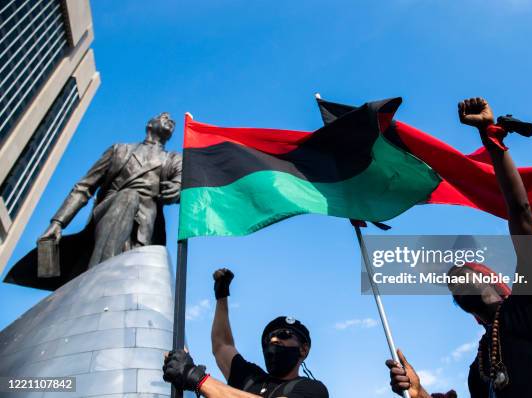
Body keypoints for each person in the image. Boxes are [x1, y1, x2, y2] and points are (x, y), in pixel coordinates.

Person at [386, 98, 532, 397]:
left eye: (469, 271)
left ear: (498, 285)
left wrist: (491, 137)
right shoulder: (478, 373)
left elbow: (521, 211)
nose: (455, 276)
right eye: (452, 283)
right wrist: (418, 390)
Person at [5, 112, 182, 290]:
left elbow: (182, 180)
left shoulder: (172, 160)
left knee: (133, 286)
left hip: (145, 228)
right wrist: (58, 222)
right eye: (163, 116)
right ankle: (97, 282)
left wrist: (177, 189)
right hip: (109, 213)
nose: (169, 118)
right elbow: (84, 187)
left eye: (171, 119)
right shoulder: (119, 150)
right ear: (149, 125)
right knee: (128, 196)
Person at [163, 268, 329, 397]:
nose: (274, 340)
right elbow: (222, 345)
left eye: (284, 335)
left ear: (303, 349)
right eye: (269, 338)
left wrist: (195, 377)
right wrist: (221, 296)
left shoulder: (313, 390)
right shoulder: (250, 378)